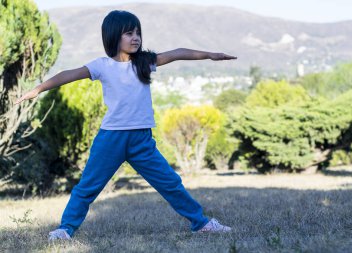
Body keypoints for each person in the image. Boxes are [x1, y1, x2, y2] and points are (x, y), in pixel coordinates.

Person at [15, 10, 237, 241]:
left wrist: (210, 55)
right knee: (87, 188)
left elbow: (178, 53)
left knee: (170, 183)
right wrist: (38, 89)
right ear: (113, 36)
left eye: (138, 33)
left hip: (141, 140)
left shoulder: (145, 62)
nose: (135, 38)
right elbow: (68, 74)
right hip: (111, 139)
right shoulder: (102, 66)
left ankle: (201, 223)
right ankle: (65, 229)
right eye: (129, 33)